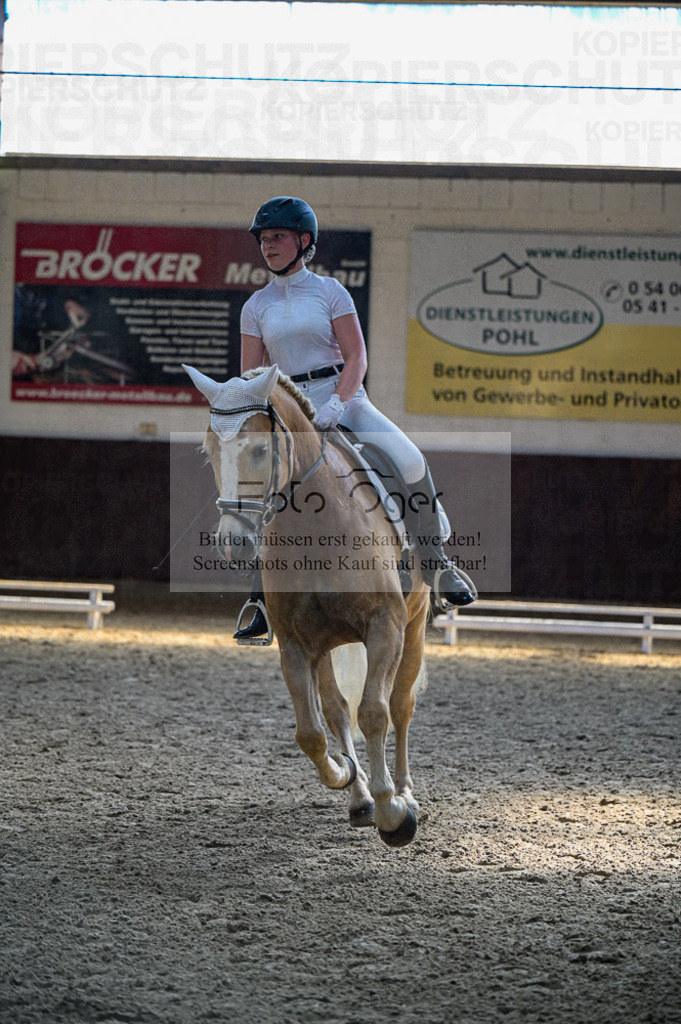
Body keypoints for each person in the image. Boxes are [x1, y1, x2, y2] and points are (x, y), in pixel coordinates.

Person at [234, 196, 476, 642]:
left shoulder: (331, 292)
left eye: (278, 237)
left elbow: (357, 357)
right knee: (259, 485)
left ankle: (438, 566)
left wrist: (338, 405)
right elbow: (251, 377)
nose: (268, 246)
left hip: (343, 398)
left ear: (304, 241)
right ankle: (261, 601)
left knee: (410, 460)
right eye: (264, 239)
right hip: (290, 410)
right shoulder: (255, 306)